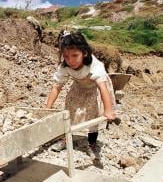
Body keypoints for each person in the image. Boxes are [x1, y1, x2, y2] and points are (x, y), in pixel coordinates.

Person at [46, 30, 116, 159]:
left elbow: (102, 86)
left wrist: (108, 109)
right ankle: (65, 139)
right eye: (66, 56)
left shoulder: (95, 65)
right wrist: (47, 107)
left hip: (95, 88)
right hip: (78, 87)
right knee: (69, 110)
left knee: (92, 114)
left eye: (74, 55)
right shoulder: (65, 67)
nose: (70, 60)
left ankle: (92, 144)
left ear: (84, 53)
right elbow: (57, 87)